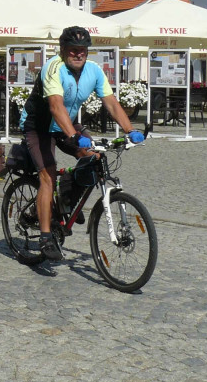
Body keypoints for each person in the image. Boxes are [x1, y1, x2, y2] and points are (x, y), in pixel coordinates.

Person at [19, 26, 144, 261]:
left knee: (94, 156)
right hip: (39, 126)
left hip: (65, 125)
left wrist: (131, 130)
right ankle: (46, 236)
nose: (79, 54)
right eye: (73, 50)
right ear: (63, 50)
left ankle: (66, 199)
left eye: (83, 50)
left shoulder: (94, 71)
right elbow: (56, 106)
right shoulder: (54, 68)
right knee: (47, 175)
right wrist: (74, 136)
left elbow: (112, 103)